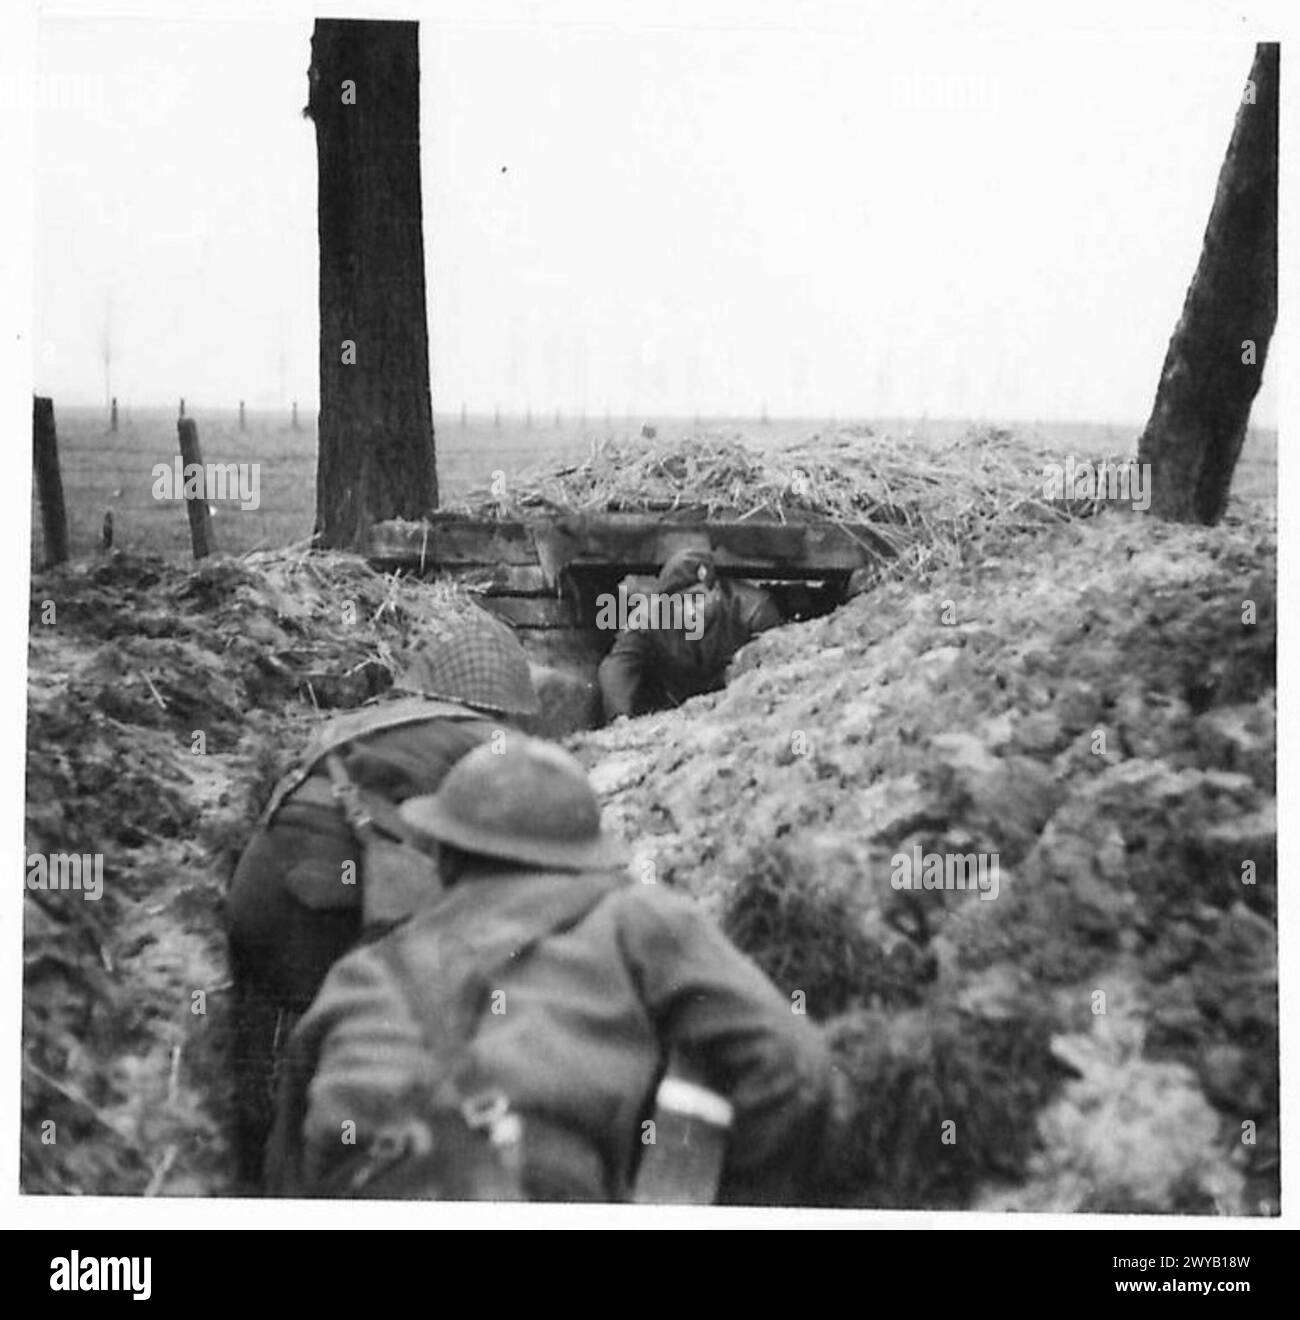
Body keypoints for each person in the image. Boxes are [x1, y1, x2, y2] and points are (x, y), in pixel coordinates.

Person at [264, 737, 831, 1203]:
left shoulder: (361, 972)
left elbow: (284, 1170)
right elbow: (795, 1067)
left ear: (443, 855)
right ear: (585, 857)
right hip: (540, 1183)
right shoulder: (636, 915)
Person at [225, 610, 540, 1187]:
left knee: (310, 1060)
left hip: (259, 891)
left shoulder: (377, 724)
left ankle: (273, 1180)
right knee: (370, 1050)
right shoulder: (488, 740)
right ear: (501, 698)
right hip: (322, 904)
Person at [597, 548, 782, 720]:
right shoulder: (650, 617)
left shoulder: (753, 611)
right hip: (678, 711)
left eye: (697, 599)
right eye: (680, 602)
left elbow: (777, 669)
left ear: (715, 591)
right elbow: (620, 664)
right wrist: (620, 717)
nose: (690, 610)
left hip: (740, 708)